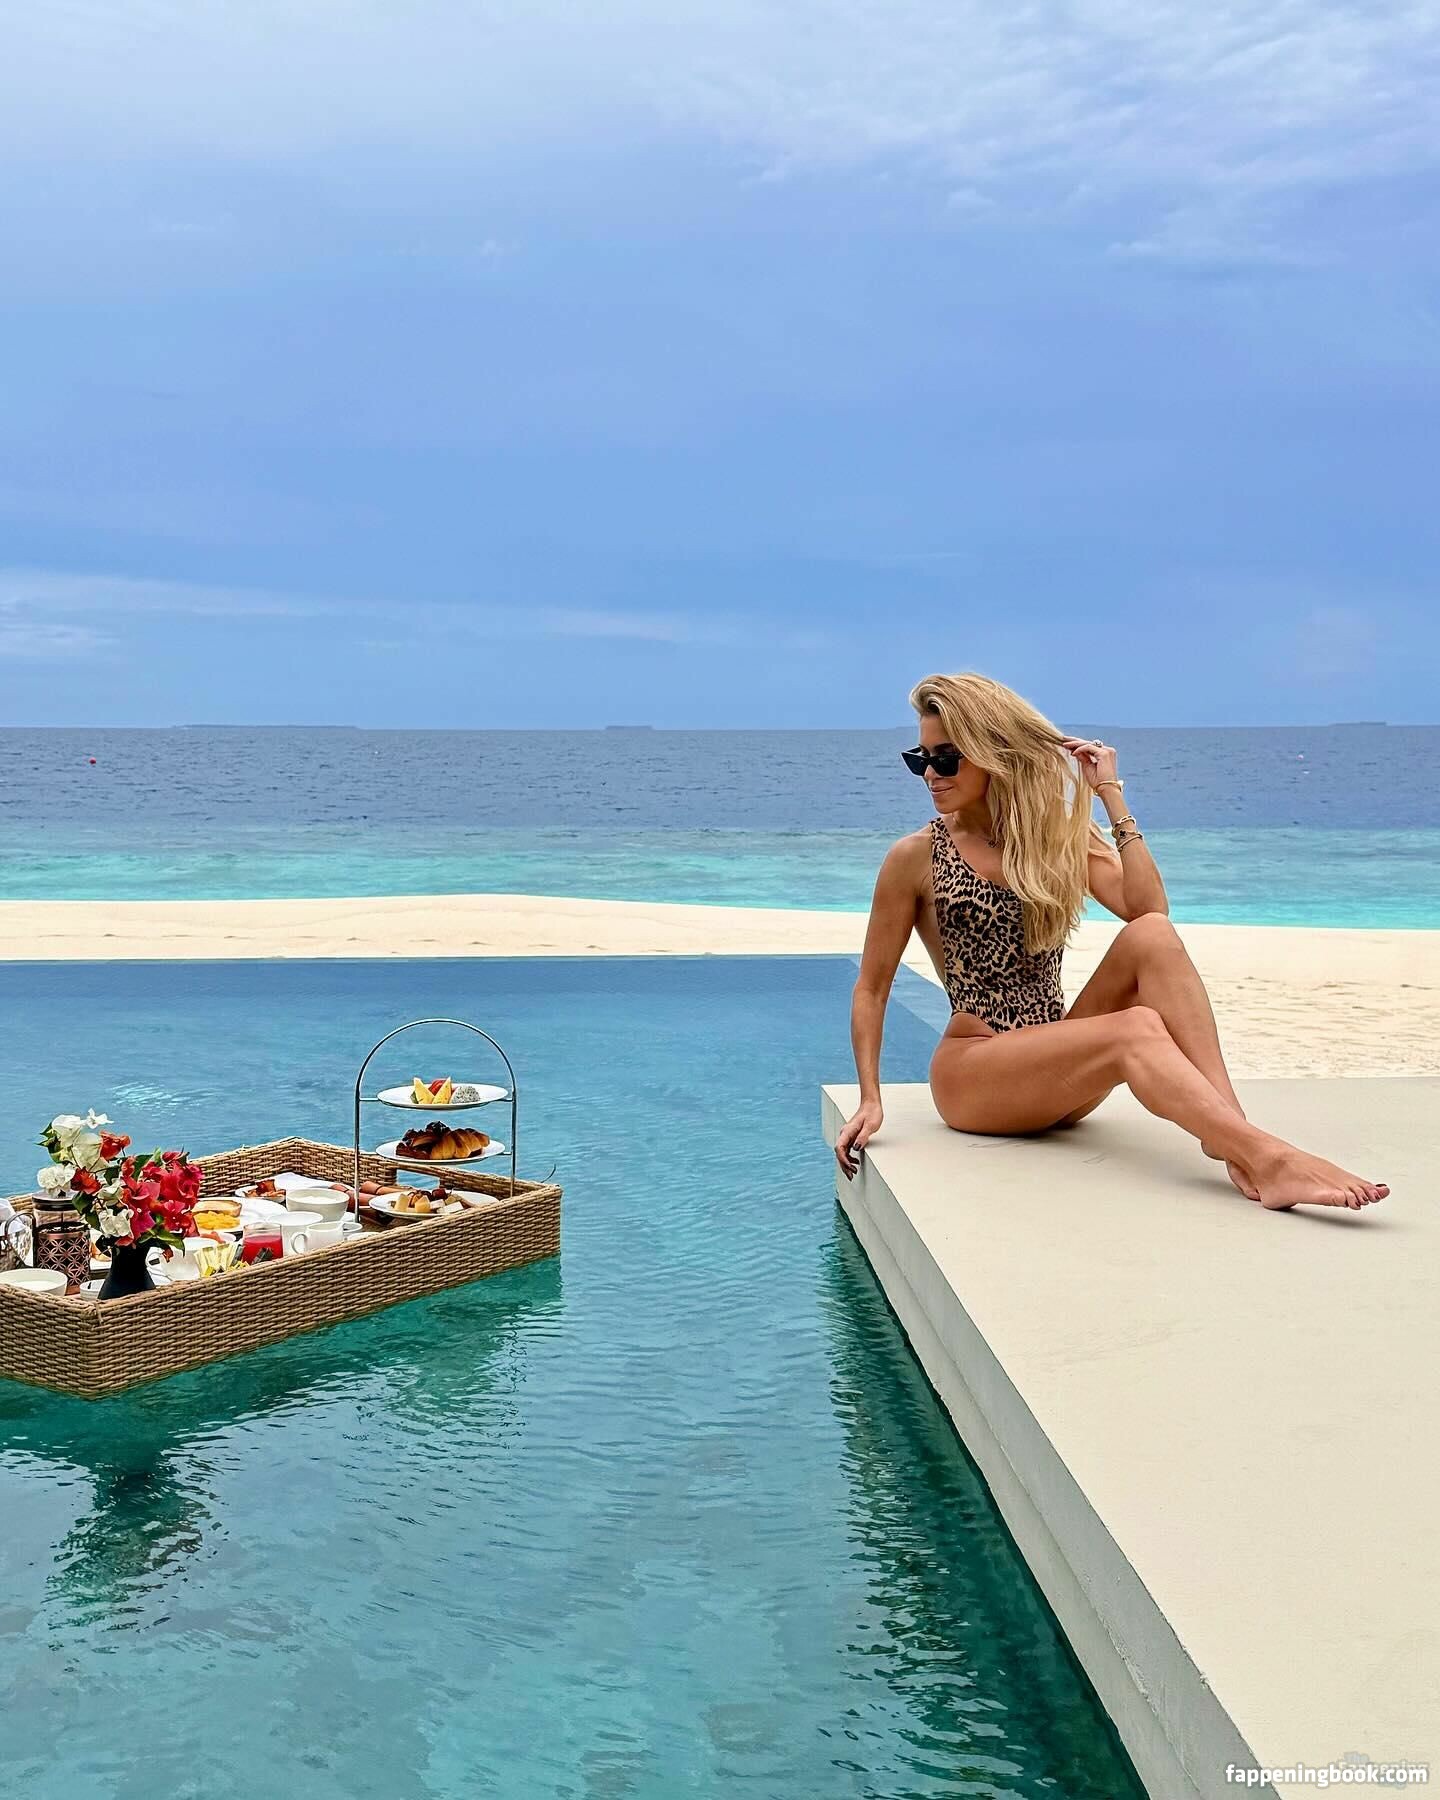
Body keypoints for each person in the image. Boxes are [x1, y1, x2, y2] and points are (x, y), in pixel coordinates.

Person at [834, 672, 1388, 1212]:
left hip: (1059, 1071)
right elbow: (872, 989)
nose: (930, 774)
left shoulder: (1054, 836)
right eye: (920, 759)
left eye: (946, 758)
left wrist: (1109, 794)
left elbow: (1147, 909)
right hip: (975, 1077)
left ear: (992, 753)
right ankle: (1265, 1157)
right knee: (1137, 1026)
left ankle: (1236, 1139)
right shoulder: (916, 856)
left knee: (1152, 935)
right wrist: (870, 1099)